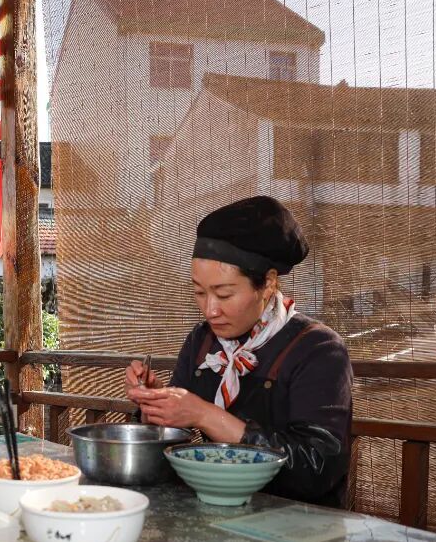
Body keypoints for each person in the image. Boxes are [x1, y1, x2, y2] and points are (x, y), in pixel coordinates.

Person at [125, 196, 352, 507]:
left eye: (224, 294)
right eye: (199, 292)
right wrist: (156, 405)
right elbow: (172, 445)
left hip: (297, 520)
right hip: (214, 507)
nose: (210, 310)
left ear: (268, 284)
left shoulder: (318, 349)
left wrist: (206, 415)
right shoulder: (203, 341)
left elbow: (317, 468)